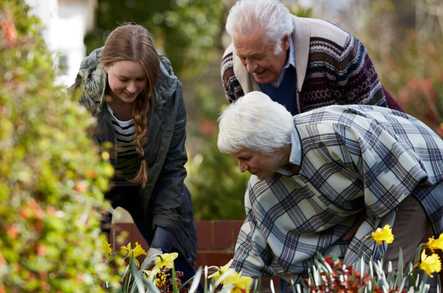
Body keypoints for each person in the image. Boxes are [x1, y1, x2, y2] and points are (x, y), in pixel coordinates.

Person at [217, 91, 443, 282]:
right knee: (355, 277)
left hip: (414, 171)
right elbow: (254, 239)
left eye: (245, 157)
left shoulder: (336, 133)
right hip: (377, 197)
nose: (241, 168)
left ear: (269, 144)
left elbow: (395, 186)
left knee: (386, 275)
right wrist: (234, 284)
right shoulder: (261, 188)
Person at [72, 24, 197, 281]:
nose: (131, 88)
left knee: (175, 270)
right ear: (106, 67)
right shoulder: (82, 94)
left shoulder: (169, 93)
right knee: (86, 269)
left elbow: (173, 168)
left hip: (151, 183)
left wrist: (160, 249)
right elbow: (74, 167)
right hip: (98, 187)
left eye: (140, 80)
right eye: (123, 79)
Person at [221, 0, 402, 114]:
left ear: (284, 40)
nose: (250, 67)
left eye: (257, 57)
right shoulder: (231, 68)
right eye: (243, 57)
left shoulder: (335, 50)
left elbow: (379, 119)